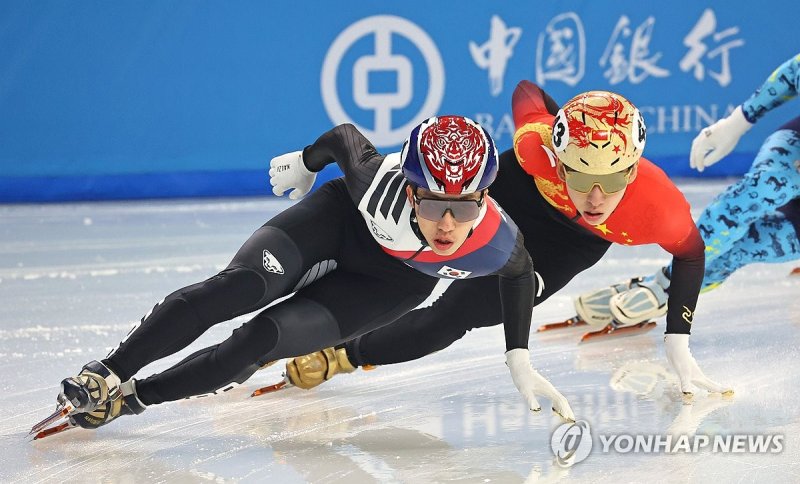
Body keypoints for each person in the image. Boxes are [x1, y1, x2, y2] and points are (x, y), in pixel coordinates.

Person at [45, 115, 574, 434]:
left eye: (464, 206)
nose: (449, 224)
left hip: (392, 284)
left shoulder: (496, 241)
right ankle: (108, 371)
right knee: (240, 288)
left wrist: (518, 355)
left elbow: (519, 275)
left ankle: (133, 399)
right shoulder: (375, 183)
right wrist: (306, 160)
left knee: (257, 342)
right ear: (412, 189)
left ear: (484, 197)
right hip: (338, 222)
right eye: (436, 204)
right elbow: (345, 139)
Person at [275, 82, 732, 398]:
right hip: (517, 191)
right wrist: (554, 115)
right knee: (402, 259)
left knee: (457, 315)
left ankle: (341, 357)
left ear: (632, 171)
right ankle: (301, 310)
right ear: (558, 159)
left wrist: (679, 341)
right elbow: (526, 91)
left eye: (612, 181)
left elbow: (692, 256)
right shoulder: (537, 147)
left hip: (568, 245)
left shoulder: (660, 209)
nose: (594, 197)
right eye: (578, 175)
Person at [574, 53, 800, 328]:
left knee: (746, 247)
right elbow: (794, 72)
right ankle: (667, 283)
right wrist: (739, 121)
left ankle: (664, 287)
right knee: (760, 191)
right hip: (793, 154)